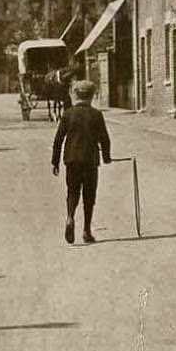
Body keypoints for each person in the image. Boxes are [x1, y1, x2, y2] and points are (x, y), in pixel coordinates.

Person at [51, 79, 111, 244]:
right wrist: (106, 157)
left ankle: (70, 217)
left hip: (71, 159)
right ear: (91, 96)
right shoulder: (96, 115)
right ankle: (86, 230)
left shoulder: (68, 114)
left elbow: (58, 140)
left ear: (75, 95)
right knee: (89, 195)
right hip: (90, 160)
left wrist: (55, 161)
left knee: (72, 192)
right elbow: (104, 139)